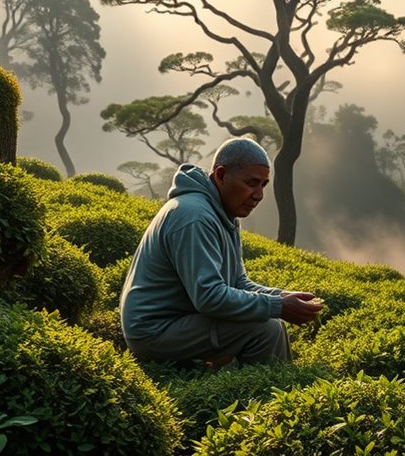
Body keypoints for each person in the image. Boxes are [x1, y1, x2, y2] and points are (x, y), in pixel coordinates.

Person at [120, 137, 322, 366]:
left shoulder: (224, 213)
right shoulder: (194, 216)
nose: (259, 195)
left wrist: (281, 296)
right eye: (251, 183)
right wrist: (277, 307)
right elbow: (208, 297)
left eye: (263, 185)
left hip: (181, 321)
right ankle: (269, 396)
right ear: (221, 175)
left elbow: (238, 281)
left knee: (267, 321)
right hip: (154, 332)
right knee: (265, 329)